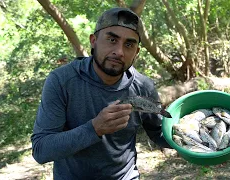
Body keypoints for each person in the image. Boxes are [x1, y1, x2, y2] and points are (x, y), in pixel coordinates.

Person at [31, 7, 172, 180]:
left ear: (136, 52)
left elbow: (158, 132)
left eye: (128, 44)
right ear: (94, 40)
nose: (119, 51)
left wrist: (191, 141)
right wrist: (94, 128)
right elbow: (41, 150)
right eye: (112, 39)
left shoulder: (143, 86)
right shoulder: (62, 81)